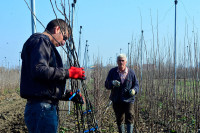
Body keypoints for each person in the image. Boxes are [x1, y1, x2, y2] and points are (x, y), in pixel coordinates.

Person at [20, 19, 85, 133]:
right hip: (42, 110)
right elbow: (39, 70)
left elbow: (42, 85)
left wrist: (69, 95)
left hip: (41, 108)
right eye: (64, 37)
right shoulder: (41, 41)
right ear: (57, 29)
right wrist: (68, 73)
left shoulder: (40, 42)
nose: (64, 42)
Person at [105, 54, 139, 133]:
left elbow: (136, 85)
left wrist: (134, 90)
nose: (121, 62)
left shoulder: (131, 73)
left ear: (126, 62)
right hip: (116, 99)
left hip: (129, 99)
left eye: (122, 60)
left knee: (130, 115)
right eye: (119, 60)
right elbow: (106, 84)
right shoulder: (112, 72)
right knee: (119, 118)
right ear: (117, 62)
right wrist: (112, 83)